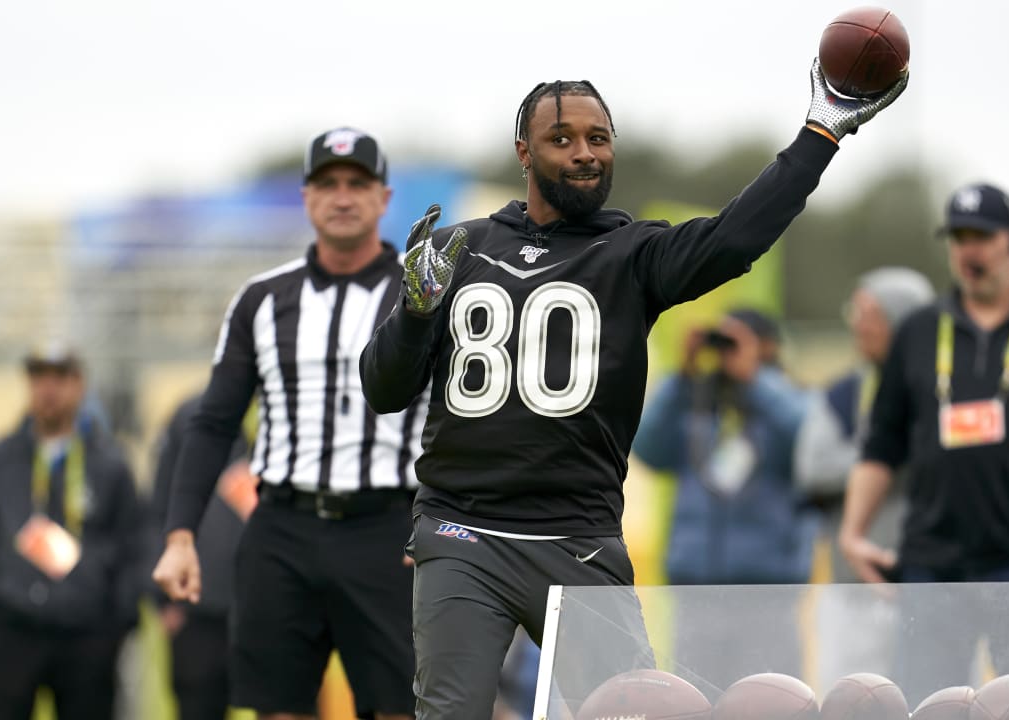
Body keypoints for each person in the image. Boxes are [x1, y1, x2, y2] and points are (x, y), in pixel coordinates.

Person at [360, 63, 908, 719]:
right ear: (524, 152)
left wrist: (821, 132)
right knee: (449, 714)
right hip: (462, 532)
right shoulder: (462, 249)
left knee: (632, 711)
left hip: (577, 537)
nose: (585, 152)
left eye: (600, 137)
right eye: (563, 139)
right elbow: (384, 389)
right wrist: (414, 314)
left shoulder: (632, 254)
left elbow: (734, 237)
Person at [152, 127, 422, 720]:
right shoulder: (261, 299)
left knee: (401, 706)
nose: (343, 196)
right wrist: (180, 536)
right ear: (307, 197)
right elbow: (214, 421)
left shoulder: (421, 294)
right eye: (328, 184)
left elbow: (457, 420)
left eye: (358, 183)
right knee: (279, 707)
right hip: (282, 529)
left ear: (384, 197)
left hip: (388, 529)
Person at [838, 182, 1009, 698]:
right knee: (922, 704)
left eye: (982, 236)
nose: (969, 250)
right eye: (959, 237)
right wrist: (853, 533)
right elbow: (882, 445)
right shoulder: (919, 330)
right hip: (932, 565)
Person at [0, 342, 143, 720]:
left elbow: (135, 542)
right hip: (13, 628)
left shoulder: (110, 465)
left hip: (87, 633)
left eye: (60, 377)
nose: (48, 389)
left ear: (79, 384)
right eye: (39, 377)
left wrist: (119, 621)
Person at [631, 308, 809, 694]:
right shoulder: (695, 401)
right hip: (696, 583)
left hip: (766, 587)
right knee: (695, 697)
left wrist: (756, 380)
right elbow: (646, 446)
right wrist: (683, 375)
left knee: (771, 699)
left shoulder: (783, 398)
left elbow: (808, 440)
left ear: (768, 346)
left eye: (738, 341)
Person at [794, 267, 932, 691]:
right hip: (849, 588)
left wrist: (878, 459)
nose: (857, 323)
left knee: (932, 699)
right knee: (845, 700)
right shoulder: (841, 394)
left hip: (927, 585)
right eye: (855, 311)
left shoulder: (941, 389)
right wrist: (886, 456)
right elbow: (811, 468)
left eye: (869, 313)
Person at [149, 391, 256, 720]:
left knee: (287, 708)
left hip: (273, 601)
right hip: (198, 604)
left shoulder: (293, 404)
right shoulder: (191, 414)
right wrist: (164, 601)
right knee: (197, 706)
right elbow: (157, 508)